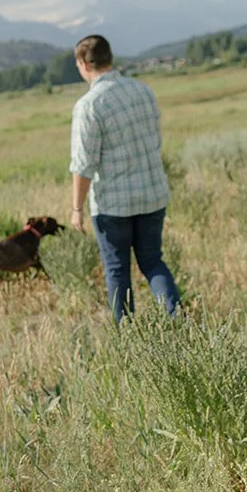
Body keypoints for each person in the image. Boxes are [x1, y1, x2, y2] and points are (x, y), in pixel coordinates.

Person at [68, 34, 182, 323]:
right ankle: (177, 321)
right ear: (110, 57)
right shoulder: (143, 91)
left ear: (83, 64)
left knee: (117, 270)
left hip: (113, 205)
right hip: (152, 194)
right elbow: (155, 141)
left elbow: (83, 164)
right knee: (153, 262)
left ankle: (127, 336)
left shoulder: (89, 105)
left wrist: (77, 209)